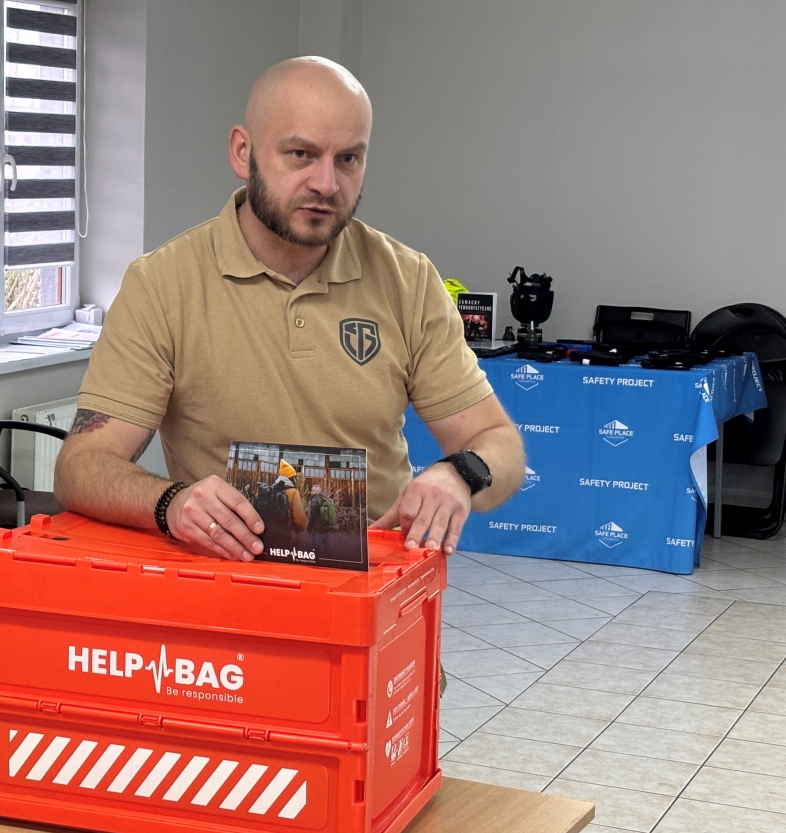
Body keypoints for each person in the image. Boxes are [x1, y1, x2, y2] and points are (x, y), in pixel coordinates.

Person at [53, 55, 523, 560]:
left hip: (374, 584)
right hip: (225, 581)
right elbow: (81, 466)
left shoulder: (407, 280)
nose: (327, 183)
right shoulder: (162, 284)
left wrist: (460, 474)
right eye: (301, 154)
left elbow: (498, 442)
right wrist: (171, 502)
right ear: (243, 152)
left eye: (348, 159)